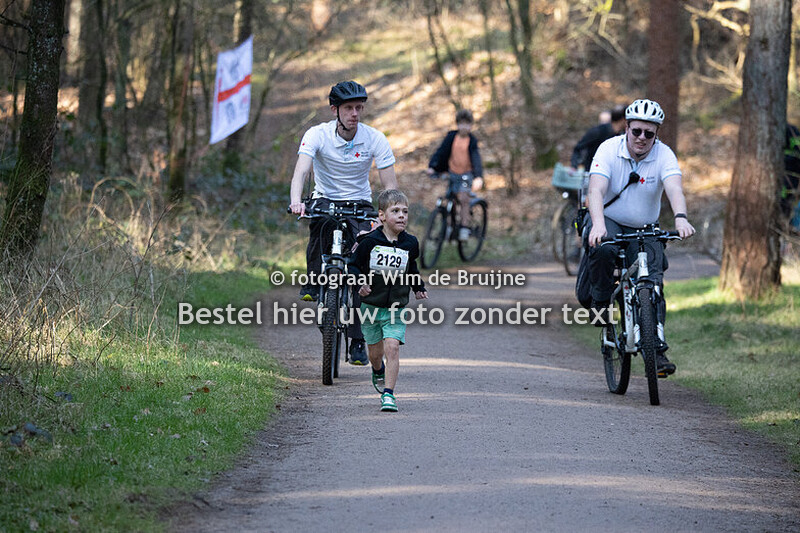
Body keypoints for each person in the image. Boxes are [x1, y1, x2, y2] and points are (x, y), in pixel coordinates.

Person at [289, 80, 399, 365]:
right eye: (349, 108)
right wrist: (297, 200)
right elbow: (301, 171)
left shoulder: (374, 138)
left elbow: (389, 185)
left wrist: (389, 213)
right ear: (334, 110)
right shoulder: (317, 134)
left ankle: (358, 341)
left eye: (359, 108)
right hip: (325, 198)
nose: (355, 114)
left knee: (362, 267)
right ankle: (314, 283)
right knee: (319, 225)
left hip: (359, 204)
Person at [585, 98, 695, 377]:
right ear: (627, 128)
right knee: (604, 248)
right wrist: (598, 224)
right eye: (637, 131)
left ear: (656, 134)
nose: (642, 138)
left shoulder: (665, 155)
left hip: (644, 226)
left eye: (649, 133)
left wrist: (681, 217)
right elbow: (595, 190)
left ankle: (656, 350)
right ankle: (600, 303)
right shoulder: (608, 149)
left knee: (653, 281)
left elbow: (674, 188)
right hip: (608, 218)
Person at [347, 189, 428, 412]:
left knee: (392, 347)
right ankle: (377, 370)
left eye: (405, 211)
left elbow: (412, 268)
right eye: (395, 211)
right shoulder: (368, 242)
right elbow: (353, 266)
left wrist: (418, 287)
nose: (402, 216)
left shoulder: (410, 243)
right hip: (371, 305)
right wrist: (359, 283)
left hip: (396, 306)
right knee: (375, 353)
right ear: (382, 215)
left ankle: (389, 394)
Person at [426, 109, 484, 241]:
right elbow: (441, 152)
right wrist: (433, 167)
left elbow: (476, 158)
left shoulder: (472, 141)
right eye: (461, 123)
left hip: (466, 174)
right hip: (452, 173)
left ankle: (464, 228)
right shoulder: (452, 137)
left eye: (467, 124)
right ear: (457, 124)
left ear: (471, 125)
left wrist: (478, 177)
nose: (464, 127)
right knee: (449, 198)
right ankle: (449, 227)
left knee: (463, 198)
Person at [571, 104, 627, 172]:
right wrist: (574, 166)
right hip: (591, 172)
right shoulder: (598, 131)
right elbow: (579, 147)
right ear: (623, 119)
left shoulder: (622, 135)